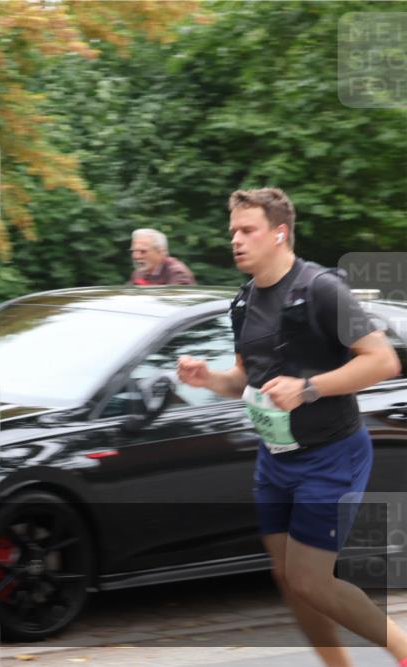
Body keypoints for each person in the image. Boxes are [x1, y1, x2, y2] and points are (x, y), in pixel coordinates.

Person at [177, 187, 407, 667]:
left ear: (279, 233)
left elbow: (383, 361)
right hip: (276, 457)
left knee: (310, 579)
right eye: (233, 231)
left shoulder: (321, 289)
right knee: (288, 577)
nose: (236, 240)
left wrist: (308, 388)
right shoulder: (244, 302)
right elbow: (245, 378)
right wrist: (209, 379)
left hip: (332, 454)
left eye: (248, 230)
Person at [128, 228, 196, 285]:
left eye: (143, 251)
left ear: (160, 252)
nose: (136, 256)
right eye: (134, 251)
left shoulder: (178, 274)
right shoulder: (139, 273)